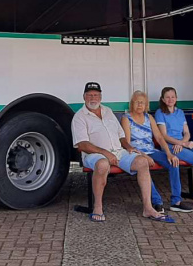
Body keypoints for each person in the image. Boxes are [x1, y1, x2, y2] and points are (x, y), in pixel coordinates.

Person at [71, 81, 175, 223]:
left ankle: (148, 208)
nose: (93, 98)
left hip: (118, 151)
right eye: (89, 95)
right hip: (94, 154)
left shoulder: (108, 111)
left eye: (96, 95)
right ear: (84, 97)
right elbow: (82, 145)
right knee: (102, 165)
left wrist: (128, 146)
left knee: (142, 162)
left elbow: (121, 135)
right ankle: (98, 207)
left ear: (100, 97)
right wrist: (106, 153)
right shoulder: (79, 117)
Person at [120, 91, 188, 212]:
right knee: (144, 166)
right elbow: (128, 144)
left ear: (146, 105)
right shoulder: (126, 119)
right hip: (136, 153)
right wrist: (144, 156)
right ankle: (156, 201)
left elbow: (160, 137)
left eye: (142, 102)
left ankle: (176, 201)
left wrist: (169, 153)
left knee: (174, 163)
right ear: (132, 104)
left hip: (152, 150)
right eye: (137, 102)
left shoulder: (149, 117)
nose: (140, 105)